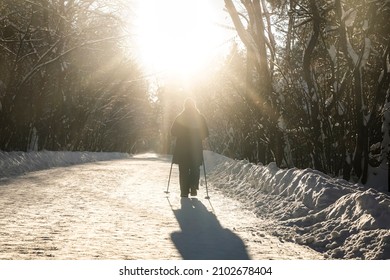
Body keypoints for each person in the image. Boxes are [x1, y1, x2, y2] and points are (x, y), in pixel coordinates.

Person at [171, 98, 209, 197]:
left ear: (185, 106)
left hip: (182, 148)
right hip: (195, 148)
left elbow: (173, 132)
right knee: (194, 168)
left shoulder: (180, 117)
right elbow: (206, 133)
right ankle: (193, 189)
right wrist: (198, 136)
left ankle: (184, 191)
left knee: (183, 169)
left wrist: (182, 133)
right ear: (194, 105)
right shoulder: (200, 117)